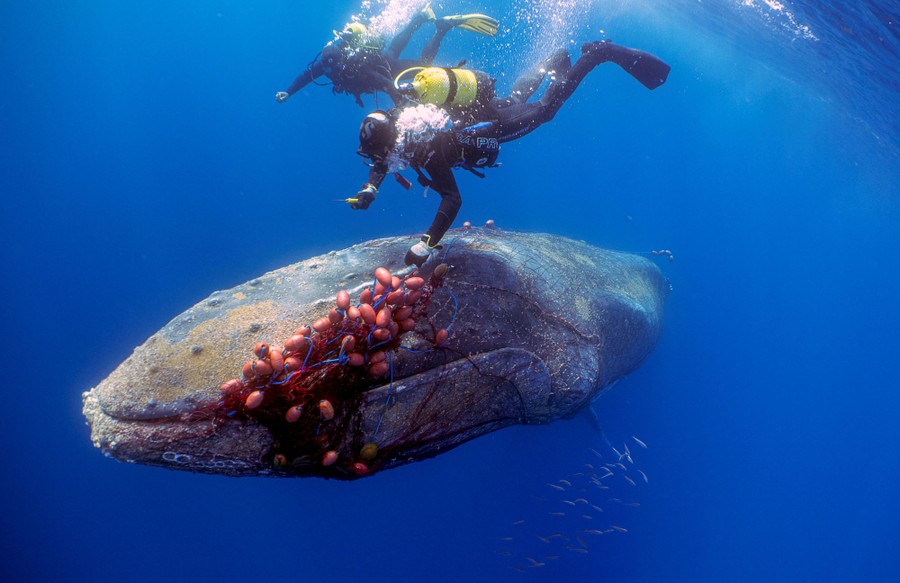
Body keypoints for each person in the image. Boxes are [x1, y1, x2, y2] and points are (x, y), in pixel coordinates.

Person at [349, 40, 671, 266]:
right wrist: (371, 187)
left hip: (493, 126)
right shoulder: (398, 120)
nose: (377, 163)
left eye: (378, 157)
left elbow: (452, 199)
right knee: (515, 98)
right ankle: (556, 59)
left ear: (392, 142)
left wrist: (427, 243)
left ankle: (598, 55)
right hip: (480, 112)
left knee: (544, 110)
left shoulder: (425, 148)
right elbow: (382, 159)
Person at [275, 5, 499, 107]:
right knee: (394, 48)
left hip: (388, 69)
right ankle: (421, 17)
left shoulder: (349, 67)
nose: (325, 67)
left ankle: (443, 27)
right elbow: (307, 75)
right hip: (384, 60)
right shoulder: (331, 63)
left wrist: (401, 107)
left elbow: (385, 83)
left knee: (424, 65)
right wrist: (289, 91)